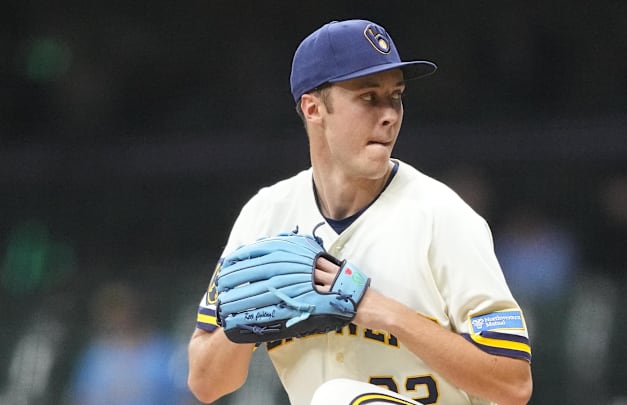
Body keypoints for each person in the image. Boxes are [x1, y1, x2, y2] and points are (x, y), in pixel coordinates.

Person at [187, 19, 532, 405]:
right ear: (313, 108)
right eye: (369, 97)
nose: (390, 114)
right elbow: (205, 384)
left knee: (335, 398)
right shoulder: (265, 217)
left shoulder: (443, 217)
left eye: (396, 96)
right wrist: (242, 326)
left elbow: (513, 384)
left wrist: (379, 311)